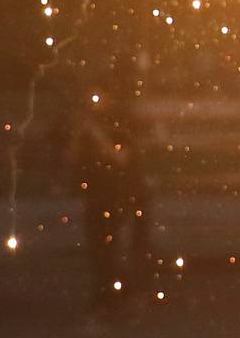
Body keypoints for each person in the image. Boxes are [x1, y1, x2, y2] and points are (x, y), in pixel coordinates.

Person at [68, 63, 154, 318]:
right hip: (97, 195)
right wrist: (78, 133)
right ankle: (105, 295)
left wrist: (96, 134)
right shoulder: (87, 126)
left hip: (123, 194)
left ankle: (122, 296)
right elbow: (73, 159)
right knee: (98, 250)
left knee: (118, 249)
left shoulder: (120, 121)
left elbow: (122, 158)